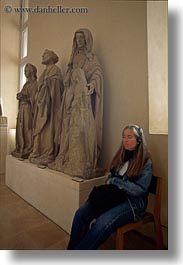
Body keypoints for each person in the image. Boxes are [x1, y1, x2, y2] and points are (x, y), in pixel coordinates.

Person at [67, 124, 152, 250]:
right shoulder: (121, 156)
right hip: (115, 197)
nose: (125, 140)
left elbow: (140, 190)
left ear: (138, 140)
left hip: (133, 203)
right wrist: (112, 180)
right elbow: (110, 178)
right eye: (124, 137)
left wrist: (117, 182)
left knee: (101, 223)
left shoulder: (145, 161)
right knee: (81, 213)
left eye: (130, 137)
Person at [49, 28, 103, 178]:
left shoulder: (91, 58)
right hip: (70, 97)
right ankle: (66, 157)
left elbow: (97, 74)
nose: (79, 41)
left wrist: (92, 84)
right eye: (77, 38)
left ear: (86, 40)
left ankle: (80, 160)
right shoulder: (73, 58)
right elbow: (68, 75)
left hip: (83, 97)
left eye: (81, 38)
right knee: (67, 127)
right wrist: (67, 79)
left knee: (81, 128)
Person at [29, 50, 64, 165]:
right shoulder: (45, 72)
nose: (42, 56)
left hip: (51, 107)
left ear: (52, 57)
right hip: (42, 106)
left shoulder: (55, 70)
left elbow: (58, 87)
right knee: (41, 131)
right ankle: (40, 152)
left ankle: (49, 154)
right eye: (43, 54)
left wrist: (47, 85)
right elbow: (39, 87)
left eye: (45, 54)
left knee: (49, 131)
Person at [12, 63, 37, 159]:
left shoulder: (35, 84)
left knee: (27, 128)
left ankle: (28, 146)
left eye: (26, 71)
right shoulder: (26, 84)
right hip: (22, 109)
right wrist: (20, 96)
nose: (25, 72)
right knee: (21, 128)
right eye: (24, 71)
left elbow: (34, 98)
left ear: (31, 72)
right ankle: (21, 147)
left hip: (28, 109)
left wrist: (25, 97)